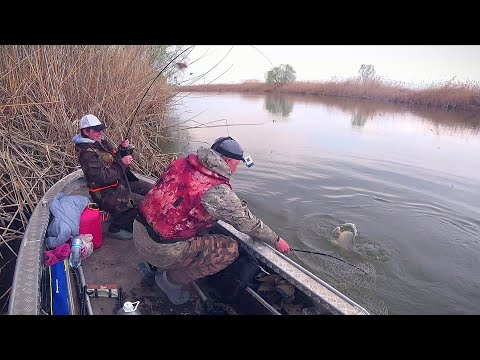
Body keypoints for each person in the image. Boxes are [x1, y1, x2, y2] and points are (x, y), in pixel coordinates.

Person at [134, 136, 290, 305]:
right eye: (237, 165)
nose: (236, 170)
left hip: (138, 229)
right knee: (230, 250)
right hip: (160, 250)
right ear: (229, 160)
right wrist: (276, 240)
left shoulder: (181, 163)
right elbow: (247, 223)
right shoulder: (217, 190)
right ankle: (168, 282)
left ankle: (155, 267)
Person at [72, 114, 152, 240]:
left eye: (101, 129)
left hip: (118, 181)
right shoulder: (87, 154)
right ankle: (115, 228)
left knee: (151, 191)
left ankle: (130, 218)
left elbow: (113, 158)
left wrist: (122, 149)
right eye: (96, 130)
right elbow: (102, 177)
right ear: (86, 131)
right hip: (104, 192)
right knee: (142, 204)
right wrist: (122, 164)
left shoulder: (100, 142)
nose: (100, 132)